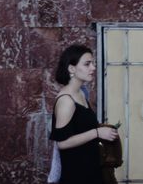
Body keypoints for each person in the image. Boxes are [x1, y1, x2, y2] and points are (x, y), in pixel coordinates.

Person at [49, 44, 119, 184]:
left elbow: (81, 127)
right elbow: (62, 143)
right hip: (77, 175)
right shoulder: (66, 101)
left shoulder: (81, 93)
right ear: (71, 68)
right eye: (87, 64)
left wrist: (103, 130)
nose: (93, 68)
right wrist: (97, 132)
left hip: (90, 171)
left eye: (93, 63)